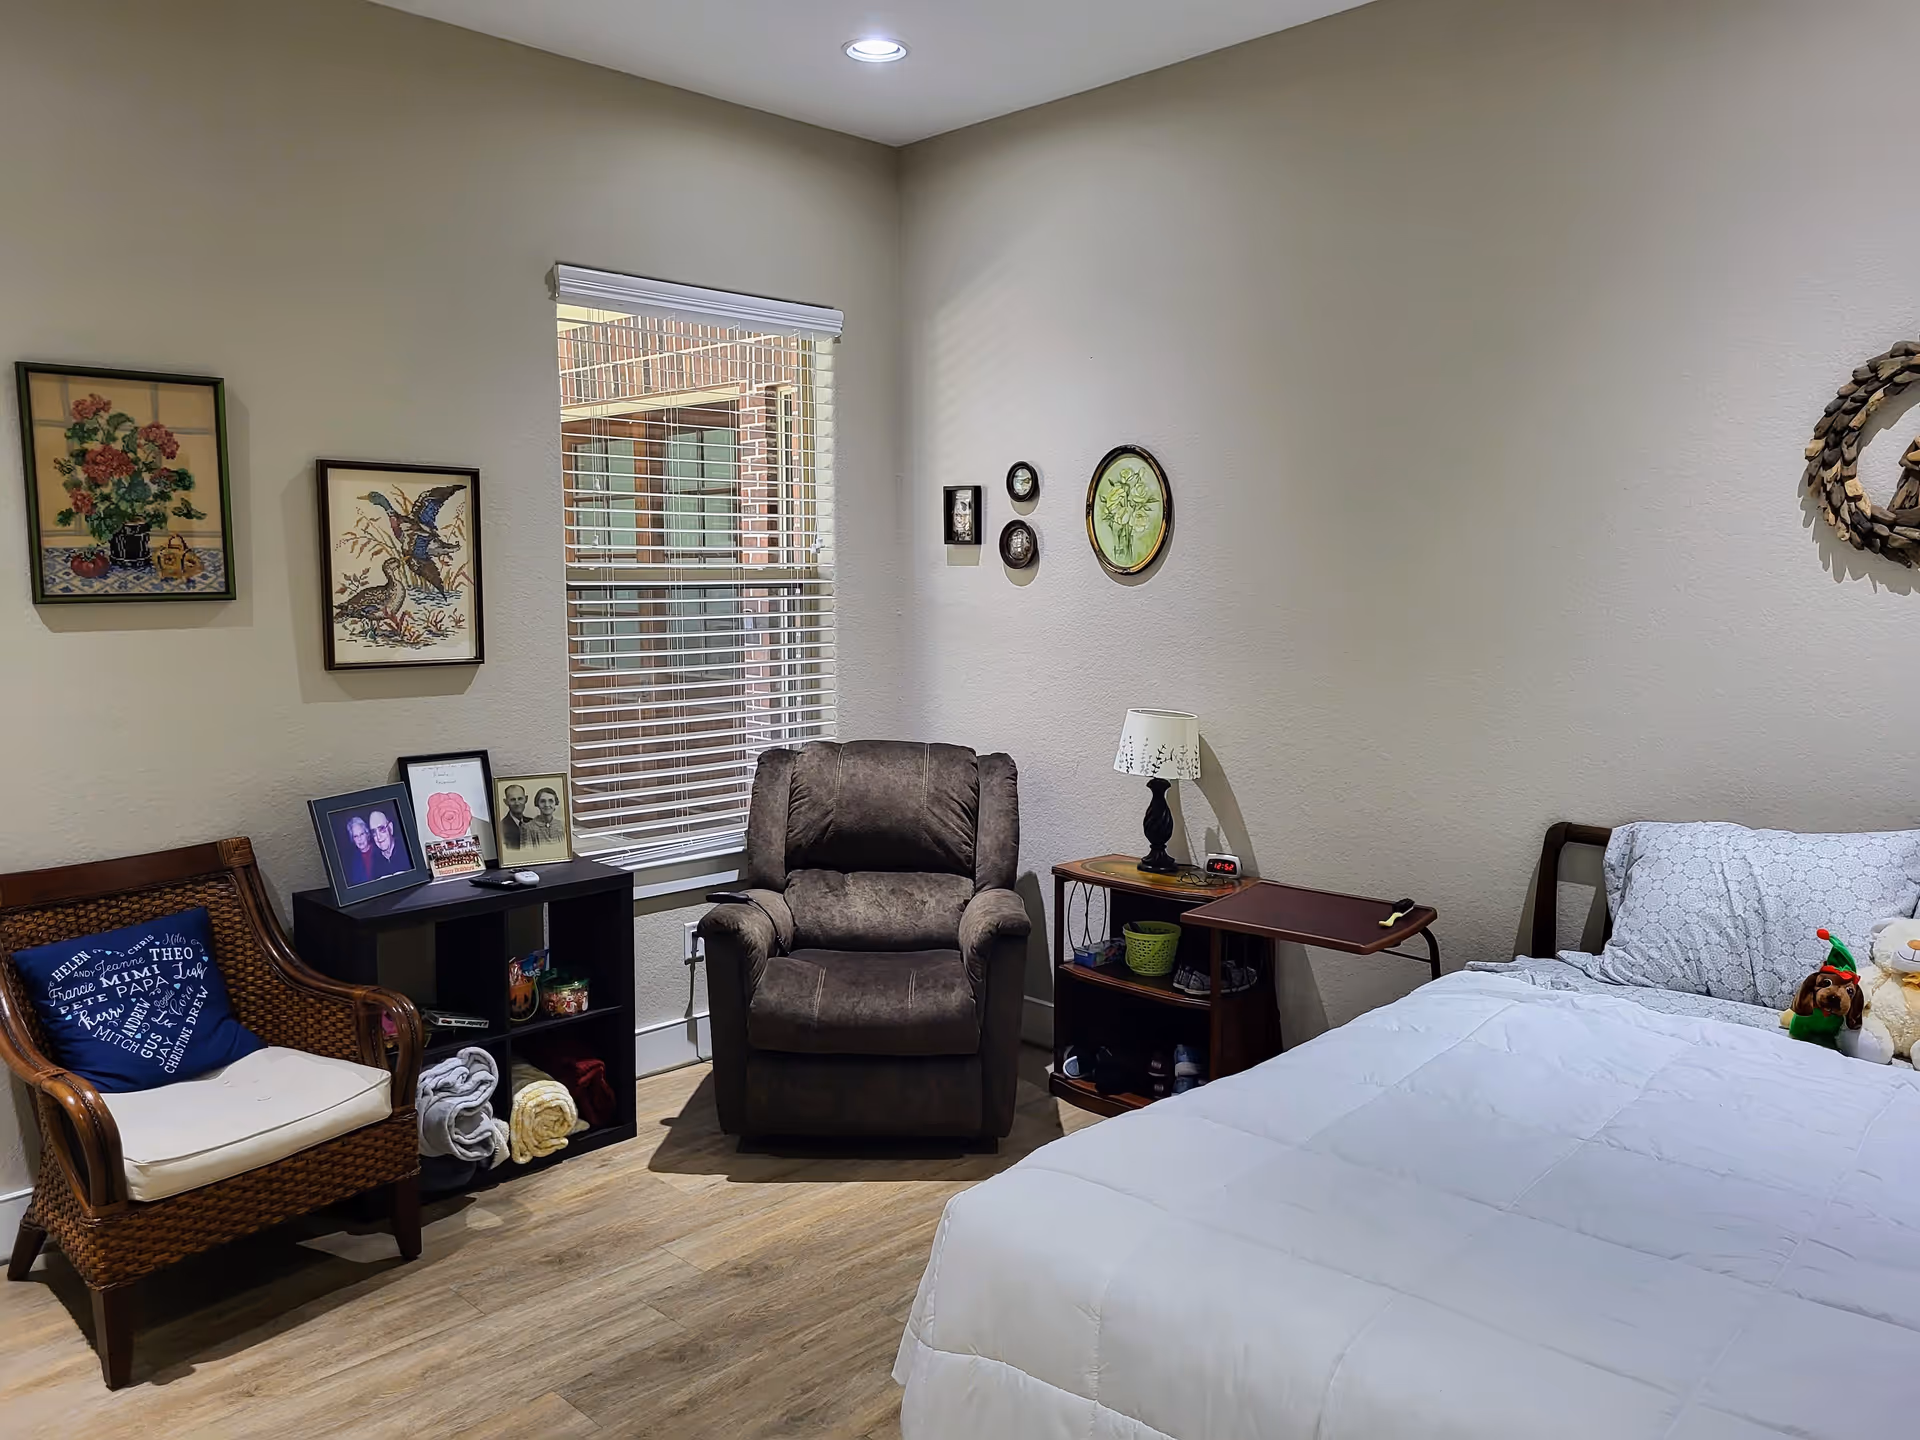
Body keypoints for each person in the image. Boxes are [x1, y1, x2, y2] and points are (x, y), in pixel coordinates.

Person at [367, 809, 409, 878]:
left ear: (390, 828)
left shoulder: (407, 850)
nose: (378, 837)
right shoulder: (374, 862)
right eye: (374, 832)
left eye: (381, 829)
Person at [342, 814, 377, 886]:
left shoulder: (379, 849)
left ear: (367, 834)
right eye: (355, 836)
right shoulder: (352, 860)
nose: (359, 839)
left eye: (361, 834)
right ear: (353, 839)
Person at [499, 784, 531, 850]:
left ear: (526, 799)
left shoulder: (533, 822)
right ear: (506, 802)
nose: (517, 803)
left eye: (520, 799)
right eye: (513, 800)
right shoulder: (501, 828)